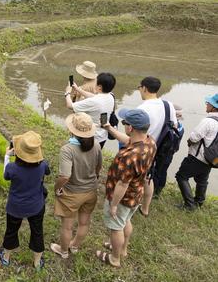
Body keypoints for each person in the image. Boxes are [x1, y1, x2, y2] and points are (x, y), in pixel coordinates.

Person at [96, 109, 156, 268]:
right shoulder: (149, 141)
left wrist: (114, 205)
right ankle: (122, 249)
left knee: (116, 228)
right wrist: (109, 128)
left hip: (123, 197)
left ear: (131, 128)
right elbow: (128, 140)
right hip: (136, 195)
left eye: (125, 123)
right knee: (125, 221)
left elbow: (122, 184)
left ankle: (115, 258)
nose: (124, 126)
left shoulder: (131, 155)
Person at [50, 113, 102, 259]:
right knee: (84, 223)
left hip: (72, 193)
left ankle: (64, 250)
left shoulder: (67, 149)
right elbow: (98, 168)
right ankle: (75, 246)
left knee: (67, 226)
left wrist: (57, 188)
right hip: (91, 191)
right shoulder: (96, 145)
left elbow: (65, 176)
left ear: (72, 130)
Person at [0, 131, 50, 270]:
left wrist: (6, 156)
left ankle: (6, 257)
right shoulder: (43, 165)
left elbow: (5, 175)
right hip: (36, 205)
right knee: (37, 232)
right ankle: (37, 263)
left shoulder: (12, 168)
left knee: (11, 231)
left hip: (16, 207)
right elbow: (47, 171)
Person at [136, 77, 178, 214]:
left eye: (139, 88)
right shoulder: (168, 105)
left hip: (143, 148)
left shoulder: (142, 109)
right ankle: (145, 208)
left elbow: (134, 132)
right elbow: (174, 125)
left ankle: (130, 203)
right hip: (160, 148)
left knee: (133, 177)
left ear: (144, 88)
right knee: (149, 177)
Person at [175, 94, 218, 210]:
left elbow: (194, 137)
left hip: (198, 157)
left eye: (208, 103)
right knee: (202, 180)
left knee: (181, 176)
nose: (207, 104)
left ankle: (189, 205)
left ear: (214, 107)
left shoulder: (208, 121)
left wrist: (189, 141)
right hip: (212, 158)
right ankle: (199, 202)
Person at [65, 72, 116, 148]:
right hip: (102, 136)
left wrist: (67, 93)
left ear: (99, 87)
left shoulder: (94, 102)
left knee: (84, 157)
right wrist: (78, 89)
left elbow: (70, 105)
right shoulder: (111, 96)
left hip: (91, 137)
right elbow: (93, 96)